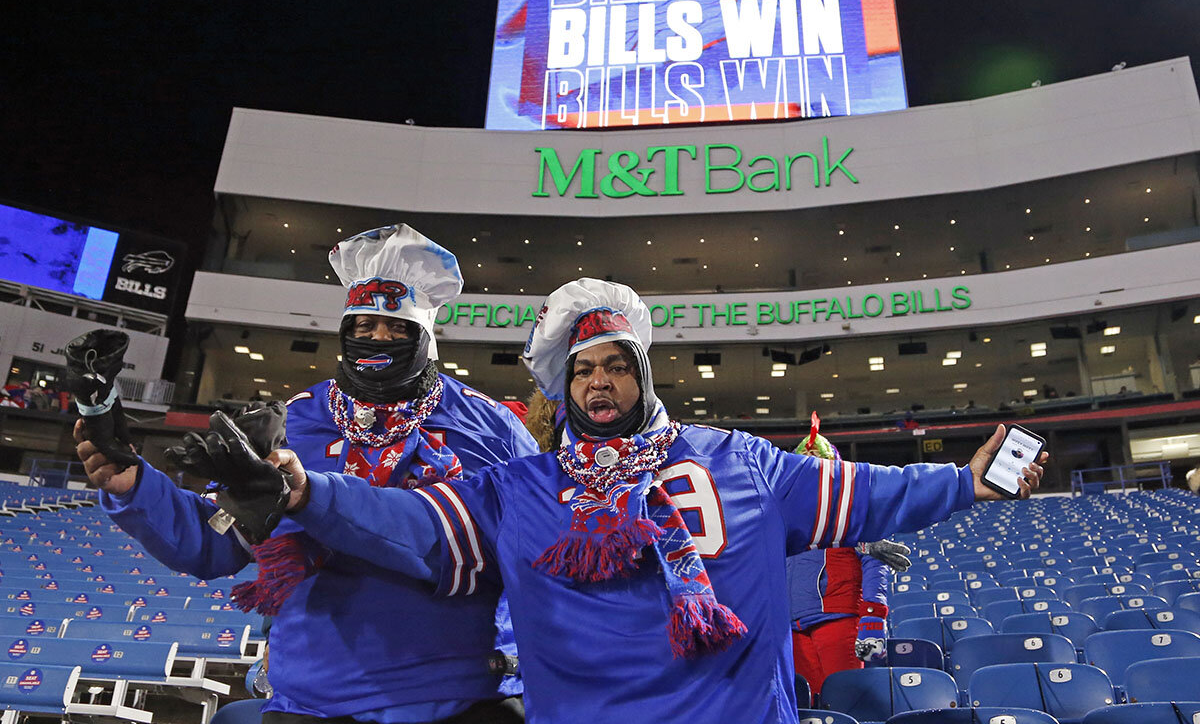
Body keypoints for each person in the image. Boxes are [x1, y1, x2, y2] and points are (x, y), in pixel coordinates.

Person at [252, 278, 1046, 724]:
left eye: (617, 365)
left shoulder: (742, 463)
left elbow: (873, 493)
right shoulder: (516, 487)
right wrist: (304, 490)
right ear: (564, 387)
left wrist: (966, 483)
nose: (600, 381)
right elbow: (412, 523)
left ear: (644, 374)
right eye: (583, 369)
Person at [74, 224, 538, 724]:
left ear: (426, 336)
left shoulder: (492, 426)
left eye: (397, 329)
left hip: (461, 697)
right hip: (314, 701)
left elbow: (527, 549)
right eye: (363, 327)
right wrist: (136, 487)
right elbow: (220, 541)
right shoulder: (293, 420)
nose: (378, 339)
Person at [787, 416, 894, 695]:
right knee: (807, 710)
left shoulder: (853, 505)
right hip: (792, 629)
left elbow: (875, 561)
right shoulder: (784, 514)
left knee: (845, 702)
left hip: (838, 620)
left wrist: (872, 617)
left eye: (817, 461)